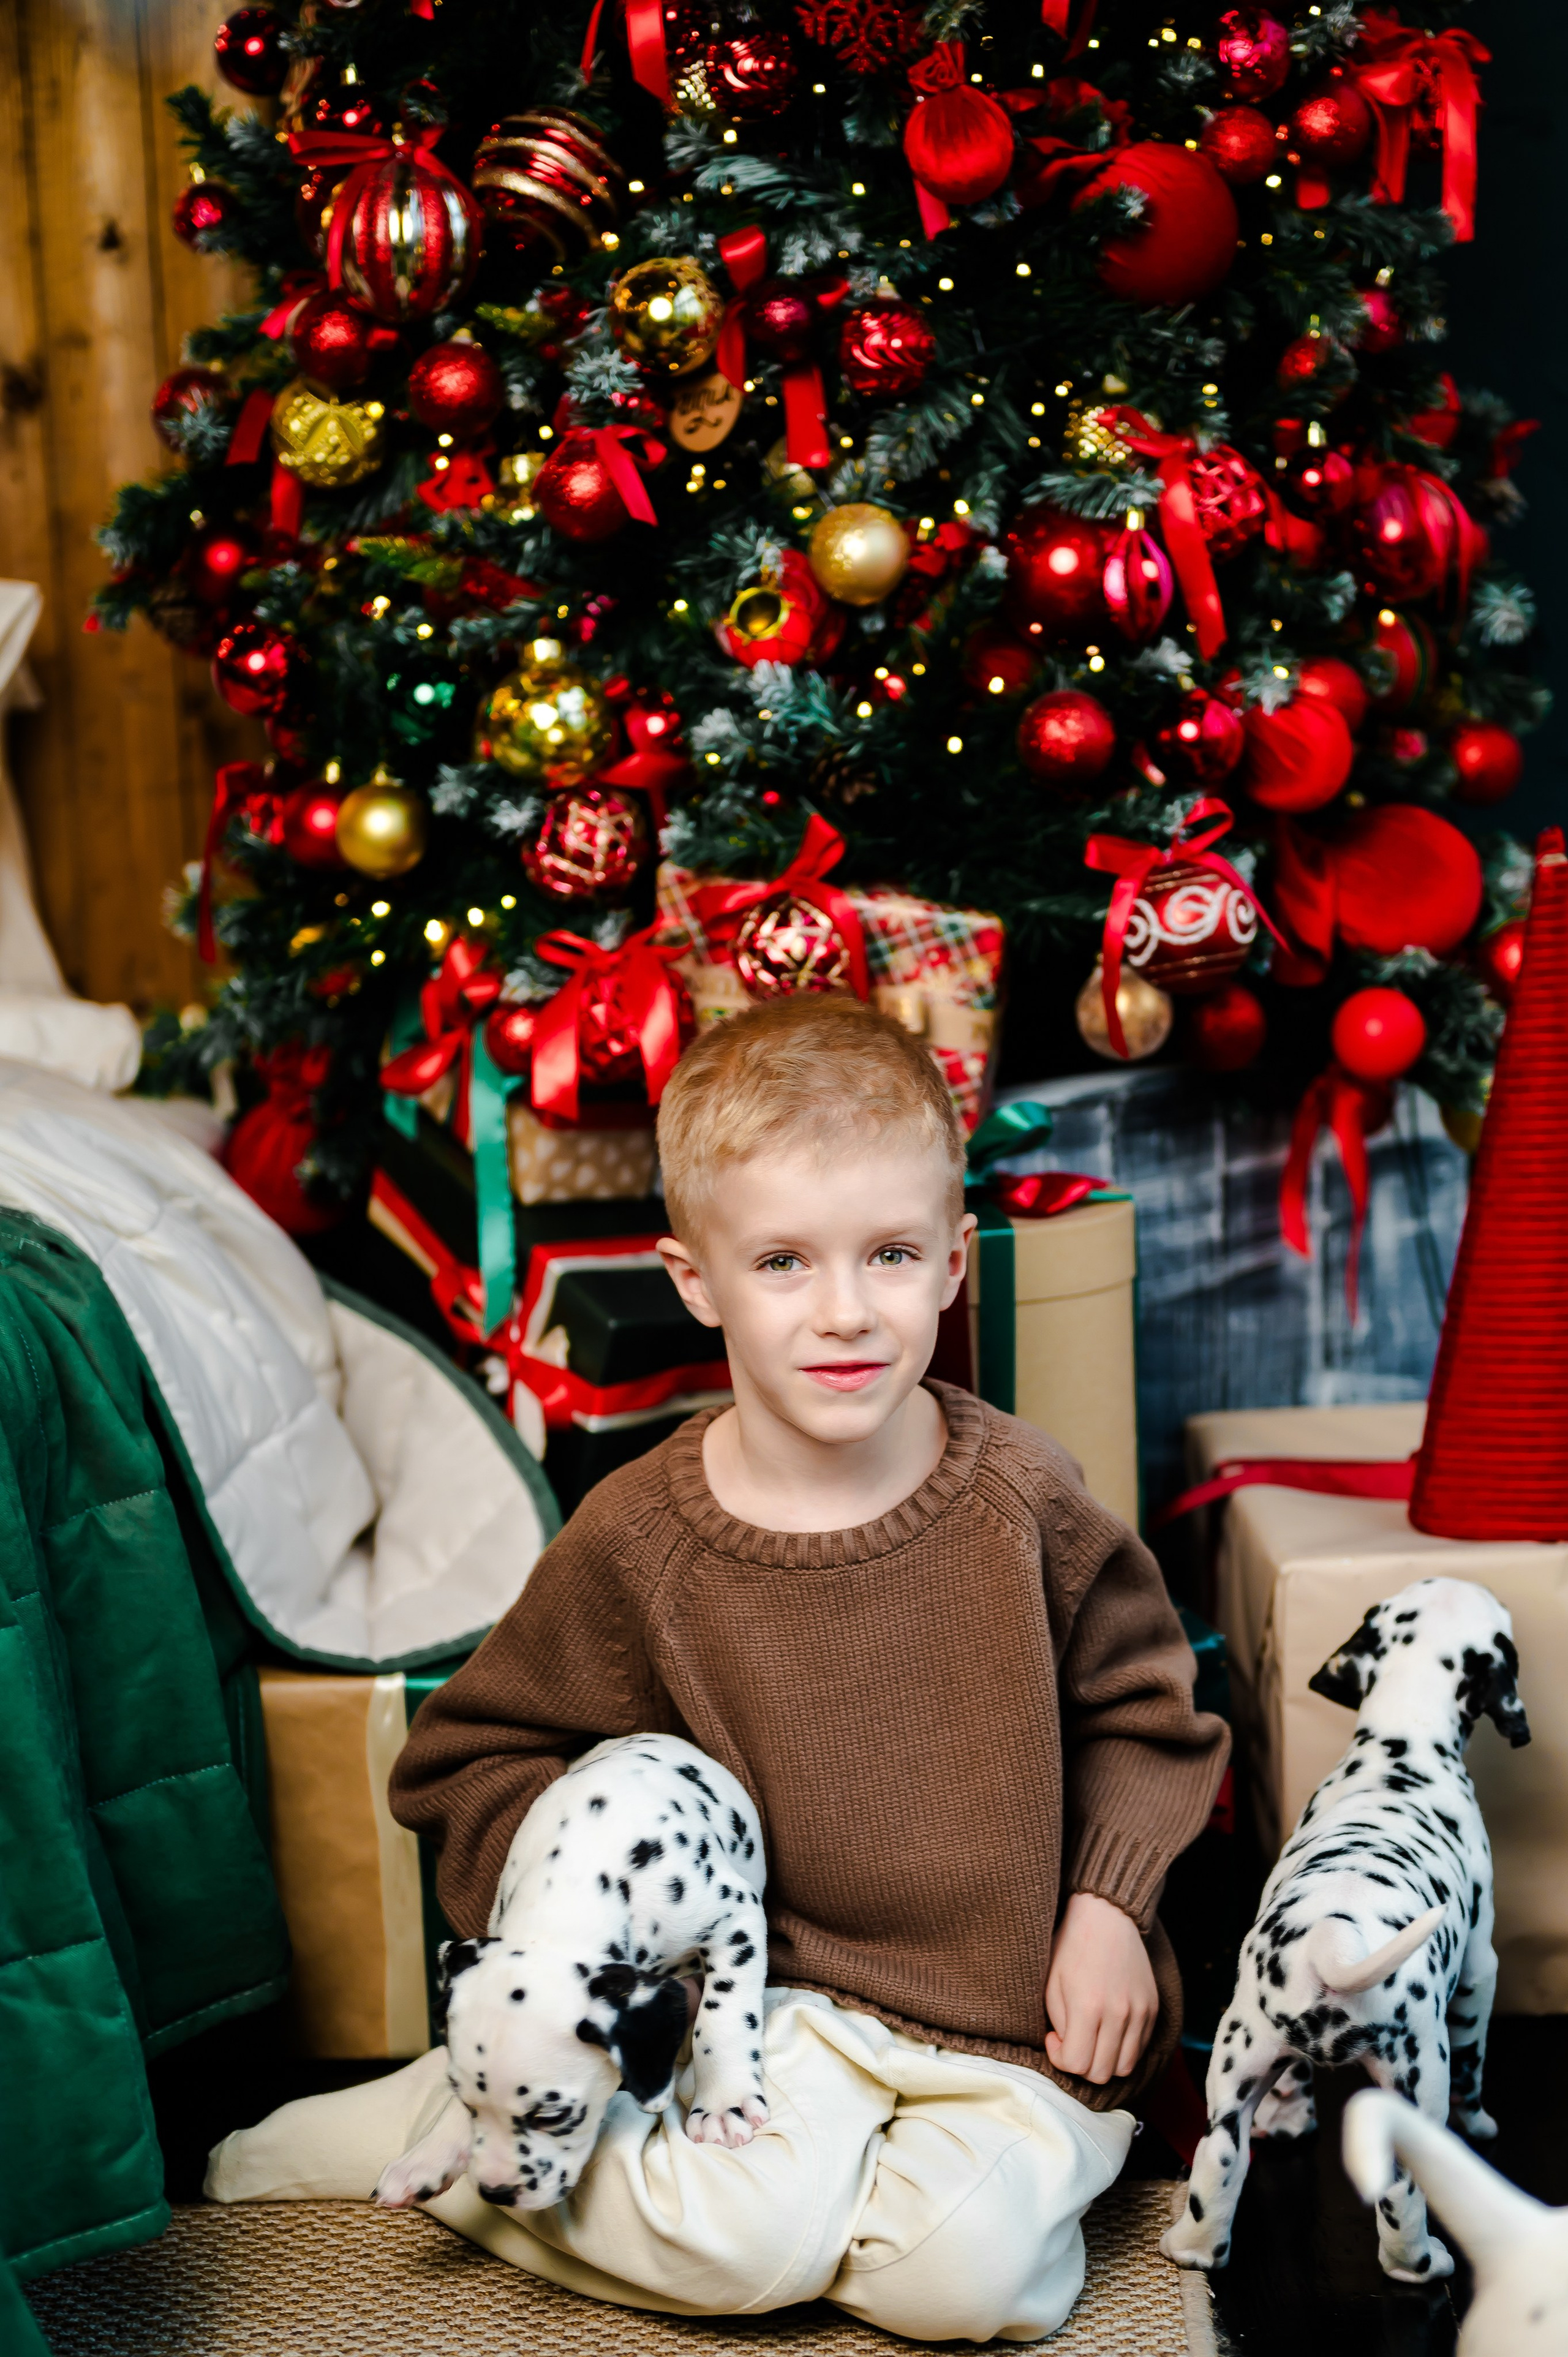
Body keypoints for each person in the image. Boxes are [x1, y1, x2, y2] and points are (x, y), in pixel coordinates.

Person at [208, 996, 1226, 2343]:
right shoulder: (642, 1534)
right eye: (785, 1263)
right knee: (756, 2247)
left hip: (1016, 2028)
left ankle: (526, 2139)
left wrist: (1108, 1908)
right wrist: (583, 1954)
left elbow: (1147, 1715)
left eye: (890, 1254)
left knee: (970, 2286)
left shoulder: (1021, 1498)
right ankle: (486, 2116)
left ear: (951, 1265)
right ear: (694, 1280)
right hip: (771, 2016)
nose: (847, 1310)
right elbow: (469, 1755)